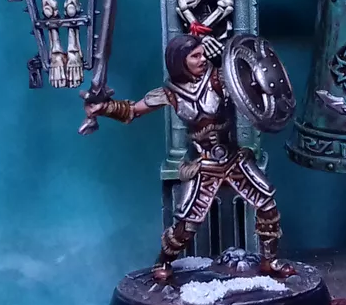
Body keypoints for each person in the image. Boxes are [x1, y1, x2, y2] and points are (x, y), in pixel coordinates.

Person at [85, 35, 295, 281]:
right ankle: (163, 262)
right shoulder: (171, 93)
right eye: (195, 56)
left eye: (203, 53)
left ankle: (270, 261)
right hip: (203, 164)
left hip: (233, 158)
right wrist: (104, 108)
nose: (203, 59)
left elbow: (253, 83)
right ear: (179, 61)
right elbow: (133, 110)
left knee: (267, 204)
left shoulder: (219, 79)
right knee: (187, 223)